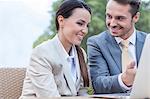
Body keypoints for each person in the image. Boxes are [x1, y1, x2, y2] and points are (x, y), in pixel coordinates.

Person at [20, 0, 91, 98]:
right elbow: (49, 97)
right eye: (80, 23)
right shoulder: (42, 53)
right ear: (61, 20)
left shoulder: (81, 54)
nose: (85, 30)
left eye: (87, 25)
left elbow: (82, 92)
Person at [87, 0, 147, 94]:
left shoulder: (147, 42)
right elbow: (98, 84)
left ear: (135, 17)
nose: (112, 23)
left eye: (120, 18)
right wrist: (124, 80)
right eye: (109, 16)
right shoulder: (96, 43)